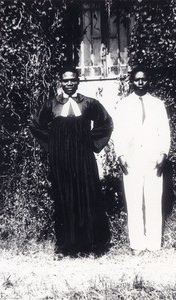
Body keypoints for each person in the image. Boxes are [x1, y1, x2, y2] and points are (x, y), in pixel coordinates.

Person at [30, 65, 113, 257]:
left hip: (83, 158)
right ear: (60, 82)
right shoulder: (52, 104)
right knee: (63, 199)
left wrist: (91, 143)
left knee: (87, 197)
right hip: (61, 160)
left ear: (78, 81)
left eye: (72, 80)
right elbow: (35, 124)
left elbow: (106, 122)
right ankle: (66, 247)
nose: (69, 83)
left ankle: (91, 246)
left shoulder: (89, 103)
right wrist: (52, 145)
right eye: (65, 80)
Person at [113, 66, 171, 254]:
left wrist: (163, 153)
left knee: (154, 200)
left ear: (148, 81)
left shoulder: (157, 104)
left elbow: (165, 131)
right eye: (137, 79)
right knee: (134, 201)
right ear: (131, 81)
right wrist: (120, 154)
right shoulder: (123, 104)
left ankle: (154, 244)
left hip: (153, 159)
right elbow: (118, 132)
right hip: (131, 160)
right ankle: (137, 244)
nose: (140, 83)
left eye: (143, 79)